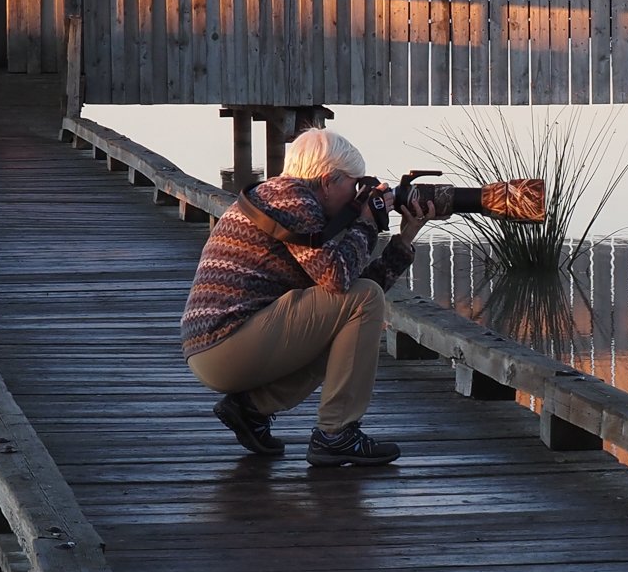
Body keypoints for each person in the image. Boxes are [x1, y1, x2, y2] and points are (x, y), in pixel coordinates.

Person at [181, 127, 440, 467]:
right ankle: (337, 434)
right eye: (354, 184)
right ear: (328, 180)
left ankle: (251, 409)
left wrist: (404, 239)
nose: (357, 194)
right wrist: (366, 223)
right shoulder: (293, 199)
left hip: (217, 348)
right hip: (226, 344)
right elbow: (340, 282)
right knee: (362, 300)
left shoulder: (286, 197)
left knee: (355, 307)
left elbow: (350, 293)